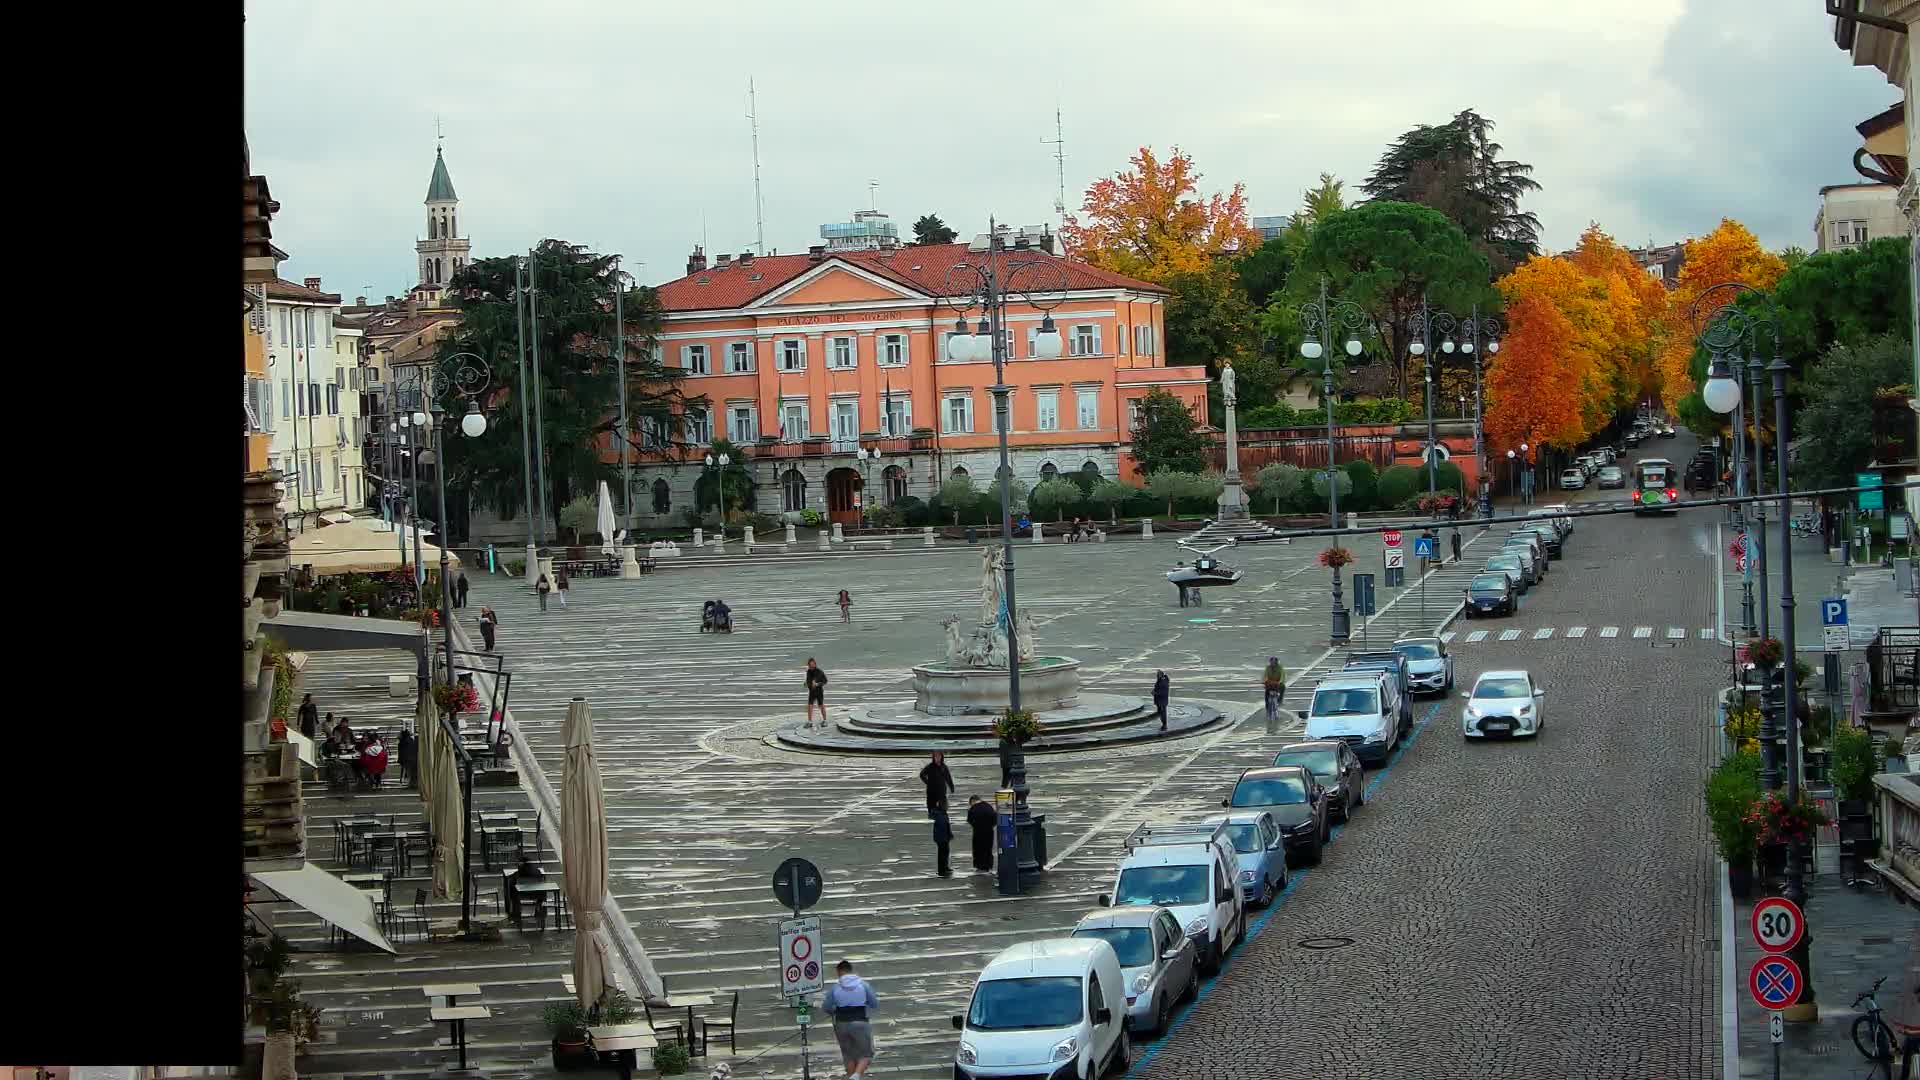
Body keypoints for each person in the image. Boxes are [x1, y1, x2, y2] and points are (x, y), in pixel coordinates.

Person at [821, 959, 877, 1080]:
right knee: (866, 1054)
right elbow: (874, 1003)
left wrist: (834, 1011)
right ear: (851, 970)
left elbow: (826, 1007)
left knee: (848, 1055)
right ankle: (856, 1076)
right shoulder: (863, 985)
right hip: (860, 1022)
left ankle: (852, 1076)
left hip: (841, 1024)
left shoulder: (835, 988)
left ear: (839, 971)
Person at [918, 751, 955, 818]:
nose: (937, 758)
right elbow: (921, 775)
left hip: (941, 791)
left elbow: (948, 778)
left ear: (941, 757)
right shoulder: (929, 766)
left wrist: (951, 787)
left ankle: (942, 819)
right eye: (936, 756)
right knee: (932, 810)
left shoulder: (944, 767)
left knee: (943, 810)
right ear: (933, 757)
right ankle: (933, 818)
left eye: (939, 756)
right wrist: (928, 783)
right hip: (931, 791)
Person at [966, 794, 997, 873]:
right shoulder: (988, 806)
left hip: (978, 832)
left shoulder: (973, 809)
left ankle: (979, 866)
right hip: (989, 832)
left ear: (972, 801)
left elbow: (969, 820)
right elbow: (995, 818)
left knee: (978, 849)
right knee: (988, 849)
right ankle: (988, 866)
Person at [1262, 657, 1287, 735]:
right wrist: (1265, 681)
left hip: (1277, 684)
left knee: (1283, 687)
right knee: (1266, 693)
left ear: (1276, 662)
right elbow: (1265, 676)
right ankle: (1267, 706)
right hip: (1270, 683)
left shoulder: (1280, 668)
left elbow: (1282, 676)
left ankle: (1280, 700)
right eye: (1271, 662)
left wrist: (1280, 682)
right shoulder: (1267, 668)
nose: (1272, 663)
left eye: (1274, 662)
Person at [932, 801, 953, 878]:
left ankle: (945, 867)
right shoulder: (941, 815)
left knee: (944, 853)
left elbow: (947, 826)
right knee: (943, 854)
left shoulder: (942, 814)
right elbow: (943, 827)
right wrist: (947, 836)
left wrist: (949, 834)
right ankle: (942, 870)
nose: (948, 806)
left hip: (943, 837)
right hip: (942, 838)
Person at [805, 658, 828, 729]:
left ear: (815, 664)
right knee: (809, 705)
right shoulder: (808, 671)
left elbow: (825, 681)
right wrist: (806, 684)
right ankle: (810, 721)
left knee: (821, 705)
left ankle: (824, 720)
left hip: (819, 691)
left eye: (812, 665)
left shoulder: (819, 671)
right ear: (808, 665)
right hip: (812, 691)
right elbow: (808, 680)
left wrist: (817, 684)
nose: (811, 667)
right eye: (810, 665)